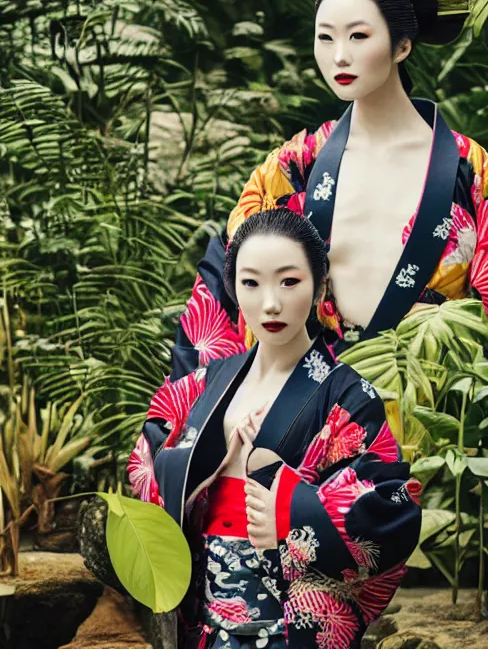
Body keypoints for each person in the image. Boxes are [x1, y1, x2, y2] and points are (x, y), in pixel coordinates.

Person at [168, 0, 488, 381]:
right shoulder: (290, 170)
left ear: (402, 44)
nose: (339, 55)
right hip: (311, 430)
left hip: (437, 429)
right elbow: (219, 305)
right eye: (325, 38)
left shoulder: (476, 174)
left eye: (358, 36)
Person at [128, 208, 422, 649]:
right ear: (231, 288)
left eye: (289, 281)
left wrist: (291, 514)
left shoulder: (349, 397)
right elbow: (144, 473)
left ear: (320, 284)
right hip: (204, 633)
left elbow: (390, 510)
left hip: (290, 633)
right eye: (251, 283)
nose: (270, 303)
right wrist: (205, 464)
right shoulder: (197, 389)